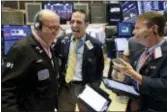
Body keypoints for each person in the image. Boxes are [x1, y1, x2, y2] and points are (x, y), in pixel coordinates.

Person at [2, 9, 60, 112]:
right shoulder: (22, 49)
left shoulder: (48, 47)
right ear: (37, 26)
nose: (55, 33)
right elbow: (6, 88)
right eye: (51, 28)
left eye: (57, 28)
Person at [113, 11, 167, 111]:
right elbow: (135, 79)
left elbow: (164, 86)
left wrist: (134, 75)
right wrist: (121, 87)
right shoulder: (142, 52)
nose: (133, 32)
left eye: (137, 28)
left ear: (154, 29)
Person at [54, 9, 104, 111]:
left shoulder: (95, 45)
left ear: (86, 24)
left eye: (79, 22)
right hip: (65, 88)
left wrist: (94, 88)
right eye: (72, 21)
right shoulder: (61, 40)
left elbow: (99, 69)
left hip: (86, 87)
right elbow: (55, 62)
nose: (74, 25)